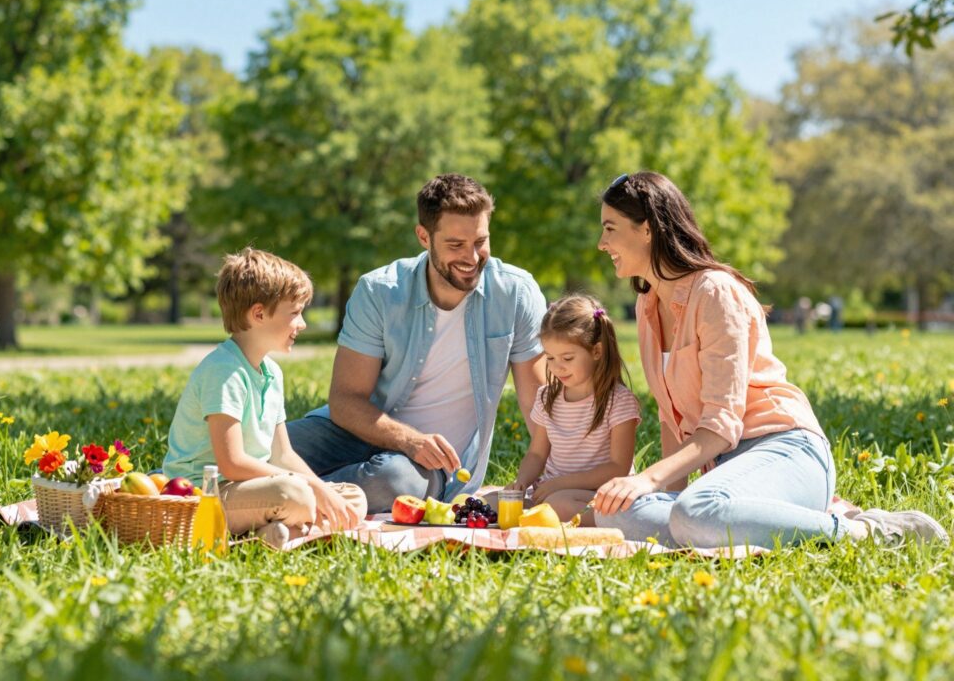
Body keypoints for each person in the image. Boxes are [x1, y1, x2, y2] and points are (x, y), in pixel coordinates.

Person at [590, 171, 948, 547]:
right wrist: (664, 497)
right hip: (727, 474)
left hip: (785, 450)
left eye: (610, 228)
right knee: (616, 511)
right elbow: (671, 422)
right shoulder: (647, 306)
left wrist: (649, 481)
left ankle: (869, 531)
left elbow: (720, 424)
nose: (602, 243)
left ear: (646, 228)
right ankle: (734, 524)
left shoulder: (714, 292)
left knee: (693, 514)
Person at [287, 174, 547, 513]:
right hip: (356, 434)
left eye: (480, 241)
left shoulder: (515, 293)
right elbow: (345, 400)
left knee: (392, 483)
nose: (472, 258)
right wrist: (408, 439)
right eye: (456, 245)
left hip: (432, 466)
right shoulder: (379, 291)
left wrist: (568, 474)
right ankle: (297, 497)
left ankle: (288, 497)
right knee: (266, 444)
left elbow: (540, 405)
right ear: (424, 236)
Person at [163, 248, 367, 548]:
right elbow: (232, 464)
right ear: (258, 314)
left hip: (251, 489)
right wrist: (309, 487)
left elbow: (283, 455)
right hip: (203, 495)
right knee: (295, 495)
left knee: (351, 497)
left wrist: (322, 489)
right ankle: (283, 532)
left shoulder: (271, 372)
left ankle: (266, 538)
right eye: (295, 313)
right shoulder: (224, 372)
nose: (303, 324)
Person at [502, 294, 640, 522]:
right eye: (550, 358)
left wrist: (559, 484)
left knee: (559, 504)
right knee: (493, 503)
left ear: (596, 351)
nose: (557, 367)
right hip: (550, 491)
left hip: (597, 494)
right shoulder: (547, 398)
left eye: (567, 358)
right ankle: (538, 517)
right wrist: (521, 482)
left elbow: (618, 468)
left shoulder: (619, 401)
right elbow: (537, 453)